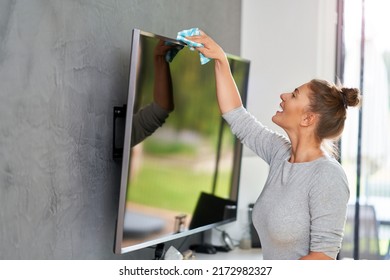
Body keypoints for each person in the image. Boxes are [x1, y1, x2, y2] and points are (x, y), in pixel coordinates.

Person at [187, 30, 361, 260]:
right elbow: (237, 116)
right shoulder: (281, 154)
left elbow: (323, 258)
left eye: (295, 94)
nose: (284, 95)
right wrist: (220, 59)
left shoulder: (328, 176)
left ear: (308, 119)